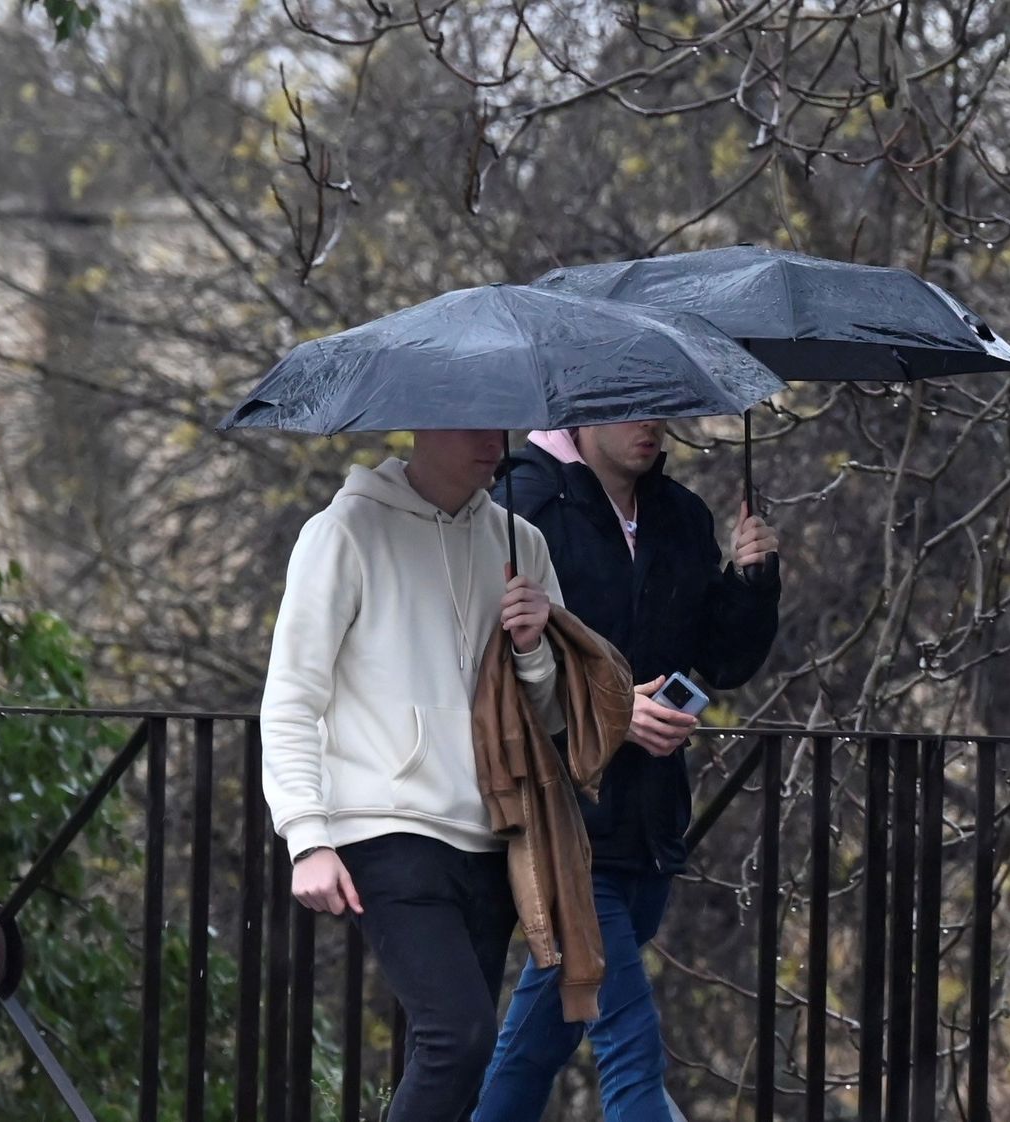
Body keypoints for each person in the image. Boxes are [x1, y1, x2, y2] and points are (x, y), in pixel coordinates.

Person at [477, 419, 781, 1121]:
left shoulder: (679, 514)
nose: (650, 424)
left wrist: (753, 579)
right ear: (581, 411)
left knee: (533, 1050)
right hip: (562, 825)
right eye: (630, 406)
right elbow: (492, 668)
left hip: (648, 824)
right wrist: (612, 713)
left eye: (660, 405)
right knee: (632, 1053)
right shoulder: (526, 504)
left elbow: (723, 660)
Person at [260, 429, 563, 1122]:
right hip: (386, 827)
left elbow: (549, 719)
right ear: (424, 423)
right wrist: (307, 836)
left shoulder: (524, 545)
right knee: (459, 1038)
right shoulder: (345, 530)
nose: (493, 442)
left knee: (460, 1060)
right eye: (472, 425)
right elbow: (291, 695)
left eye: (501, 425)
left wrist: (534, 645)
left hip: (493, 836)